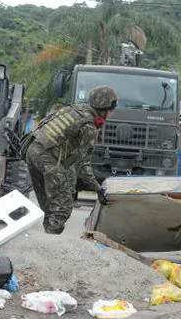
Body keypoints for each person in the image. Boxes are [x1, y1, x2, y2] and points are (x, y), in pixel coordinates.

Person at [21, 85, 118, 234]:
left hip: (32, 150)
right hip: (47, 158)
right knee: (62, 206)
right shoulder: (89, 126)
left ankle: (45, 240)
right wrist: (98, 189)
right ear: (107, 109)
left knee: (50, 204)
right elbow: (83, 164)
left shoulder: (74, 109)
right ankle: (51, 242)